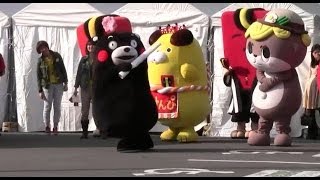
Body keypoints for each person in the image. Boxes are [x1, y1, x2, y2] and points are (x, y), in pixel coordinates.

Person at [36, 40, 68, 135]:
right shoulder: (40, 60)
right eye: (41, 48)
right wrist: (40, 90)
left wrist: (66, 82)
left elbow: (63, 69)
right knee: (47, 106)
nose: (43, 49)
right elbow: (38, 76)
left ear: (47, 46)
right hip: (47, 86)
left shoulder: (56, 55)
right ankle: (47, 126)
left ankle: (55, 126)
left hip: (58, 84)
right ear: (39, 50)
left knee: (57, 106)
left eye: (44, 47)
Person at [73, 41, 100, 139]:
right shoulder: (84, 59)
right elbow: (79, 73)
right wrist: (75, 87)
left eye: (92, 45)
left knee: (96, 109)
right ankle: (85, 132)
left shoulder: (99, 58)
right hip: (85, 87)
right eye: (88, 45)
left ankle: (99, 129)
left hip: (96, 87)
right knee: (84, 110)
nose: (90, 47)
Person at [301, 44, 320, 139]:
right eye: (315, 52)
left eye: (318, 52)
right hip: (310, 89)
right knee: (311, 112)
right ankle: (312, 132)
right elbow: (309, 76)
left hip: (318, 89)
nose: (317, 54)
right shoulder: (312, 64)